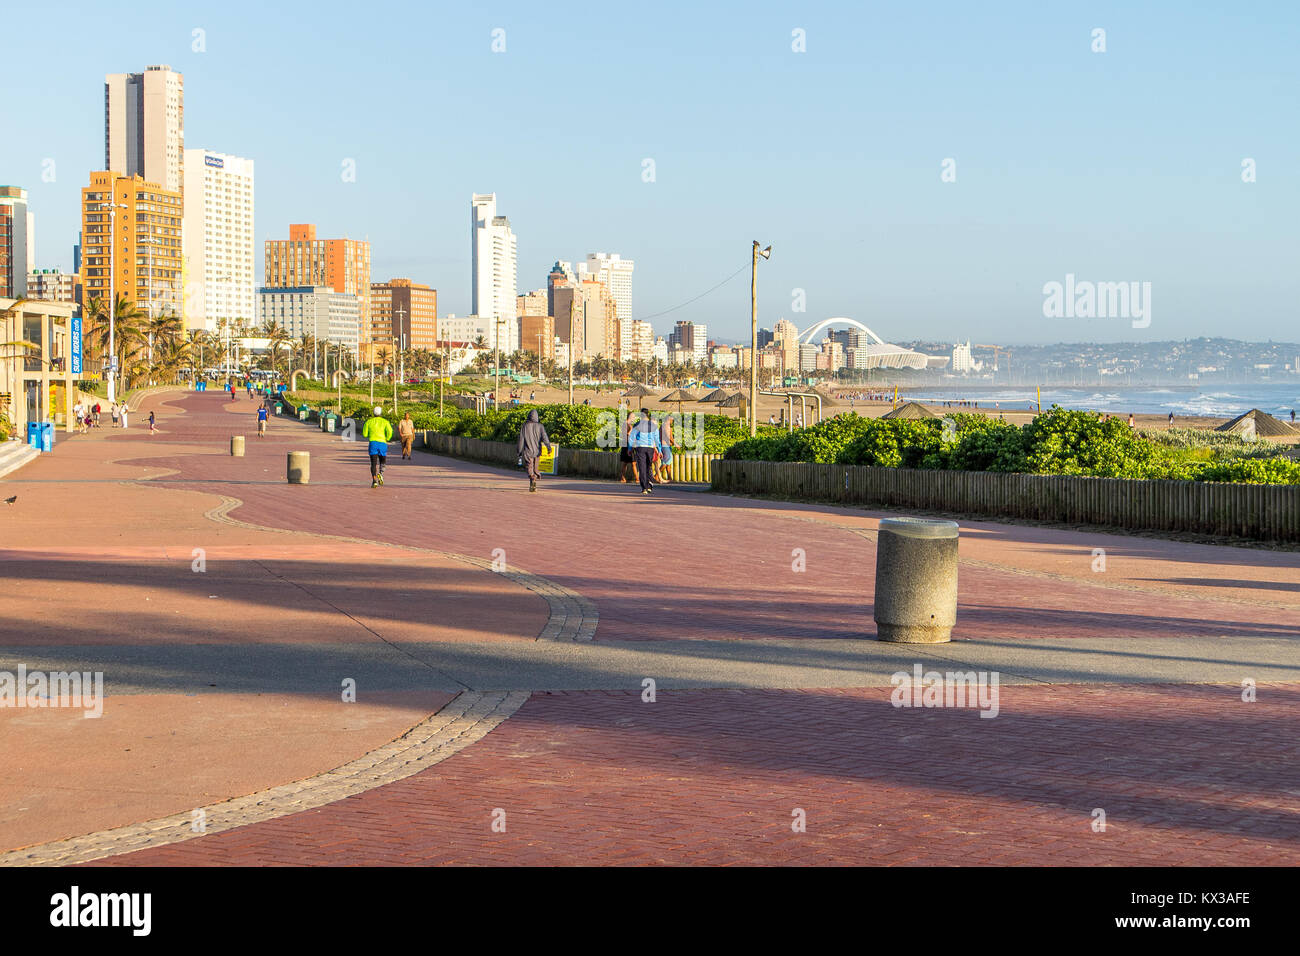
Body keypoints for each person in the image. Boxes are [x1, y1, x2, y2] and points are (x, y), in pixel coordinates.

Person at [626, 407, 661, 495]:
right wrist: (659, 450)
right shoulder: (653, 425)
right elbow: (657, 439)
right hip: (650, 448)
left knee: (642, 467)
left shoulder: (637, 424)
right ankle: (649, 484)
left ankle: (644, 488)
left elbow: (631, 437)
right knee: (649, 466)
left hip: (640, 447)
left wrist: (630, 448)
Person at [517, 409, 552, 493]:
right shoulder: (540, 426)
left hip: (527, 451)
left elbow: (521, 440)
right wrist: (548, 447)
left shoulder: (525, 426)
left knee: (529, 467)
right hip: (537, 451)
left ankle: (532, 478)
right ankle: (534, 481)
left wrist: (519, 451)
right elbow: (545, 437)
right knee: (535, 468)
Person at [362, 407, 393, 488]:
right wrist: (387, 438)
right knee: (383, 461)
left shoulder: (369, 422)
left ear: (373, 413)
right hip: (382, 443)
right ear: (381, 413)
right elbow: (390, 432)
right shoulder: (385, 422)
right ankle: (381, 473)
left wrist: (370, 435)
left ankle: (374, 480)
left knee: (373, 463)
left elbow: (364, 434)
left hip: (373, 443)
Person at [657, 413, 674, 483]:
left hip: (665, 445)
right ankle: (656, 476)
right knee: (666, 462)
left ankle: (670, 478)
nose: (672, 422)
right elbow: (668, 436)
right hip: (665, 446)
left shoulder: (663, 426)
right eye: (672, 420)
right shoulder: (666, 426)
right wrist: (675, 443)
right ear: (669, 419)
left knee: (668, 463)